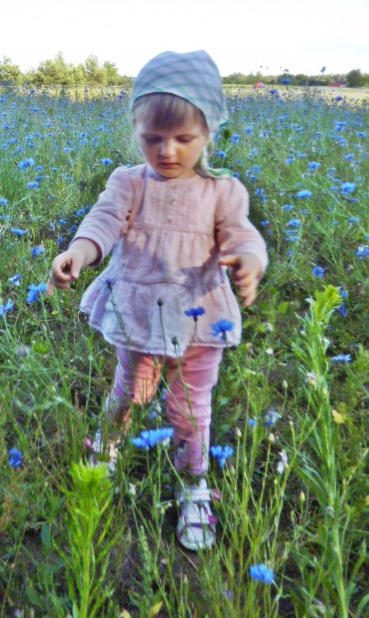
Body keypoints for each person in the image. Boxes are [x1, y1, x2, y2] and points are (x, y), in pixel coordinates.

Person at [47, 50, 268, 551]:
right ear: (135, 130)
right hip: (140, 318)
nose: (167, 151)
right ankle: (105, 448)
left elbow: (243, 236)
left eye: (184, 139)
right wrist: (80, 252)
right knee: (128, 392)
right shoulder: (129, 183)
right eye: (152, 138)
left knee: (190, 411)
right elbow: (102, 222)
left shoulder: (223, 191)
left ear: (208, 133)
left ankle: (193, 487)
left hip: (200, 320)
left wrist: (250, 263)